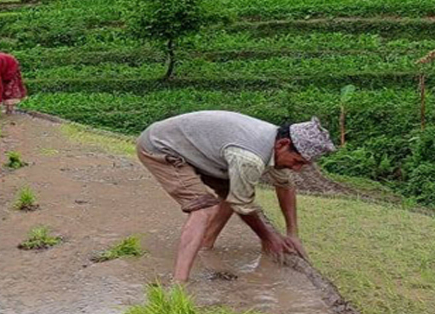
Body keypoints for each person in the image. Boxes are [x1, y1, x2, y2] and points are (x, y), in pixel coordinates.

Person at [136, 111, 336, 282]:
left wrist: (293, 234)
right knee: (203, 208)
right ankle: (180, 284)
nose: (298, 168)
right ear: (284, 144)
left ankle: (205, 244)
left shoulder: (275, 142)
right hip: (159, 146)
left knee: (234, 189)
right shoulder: (250, 157)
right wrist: (268, 237)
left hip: (196, 149)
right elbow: (243, 205)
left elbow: (285, 185)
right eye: (297, 161)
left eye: (303, 165)